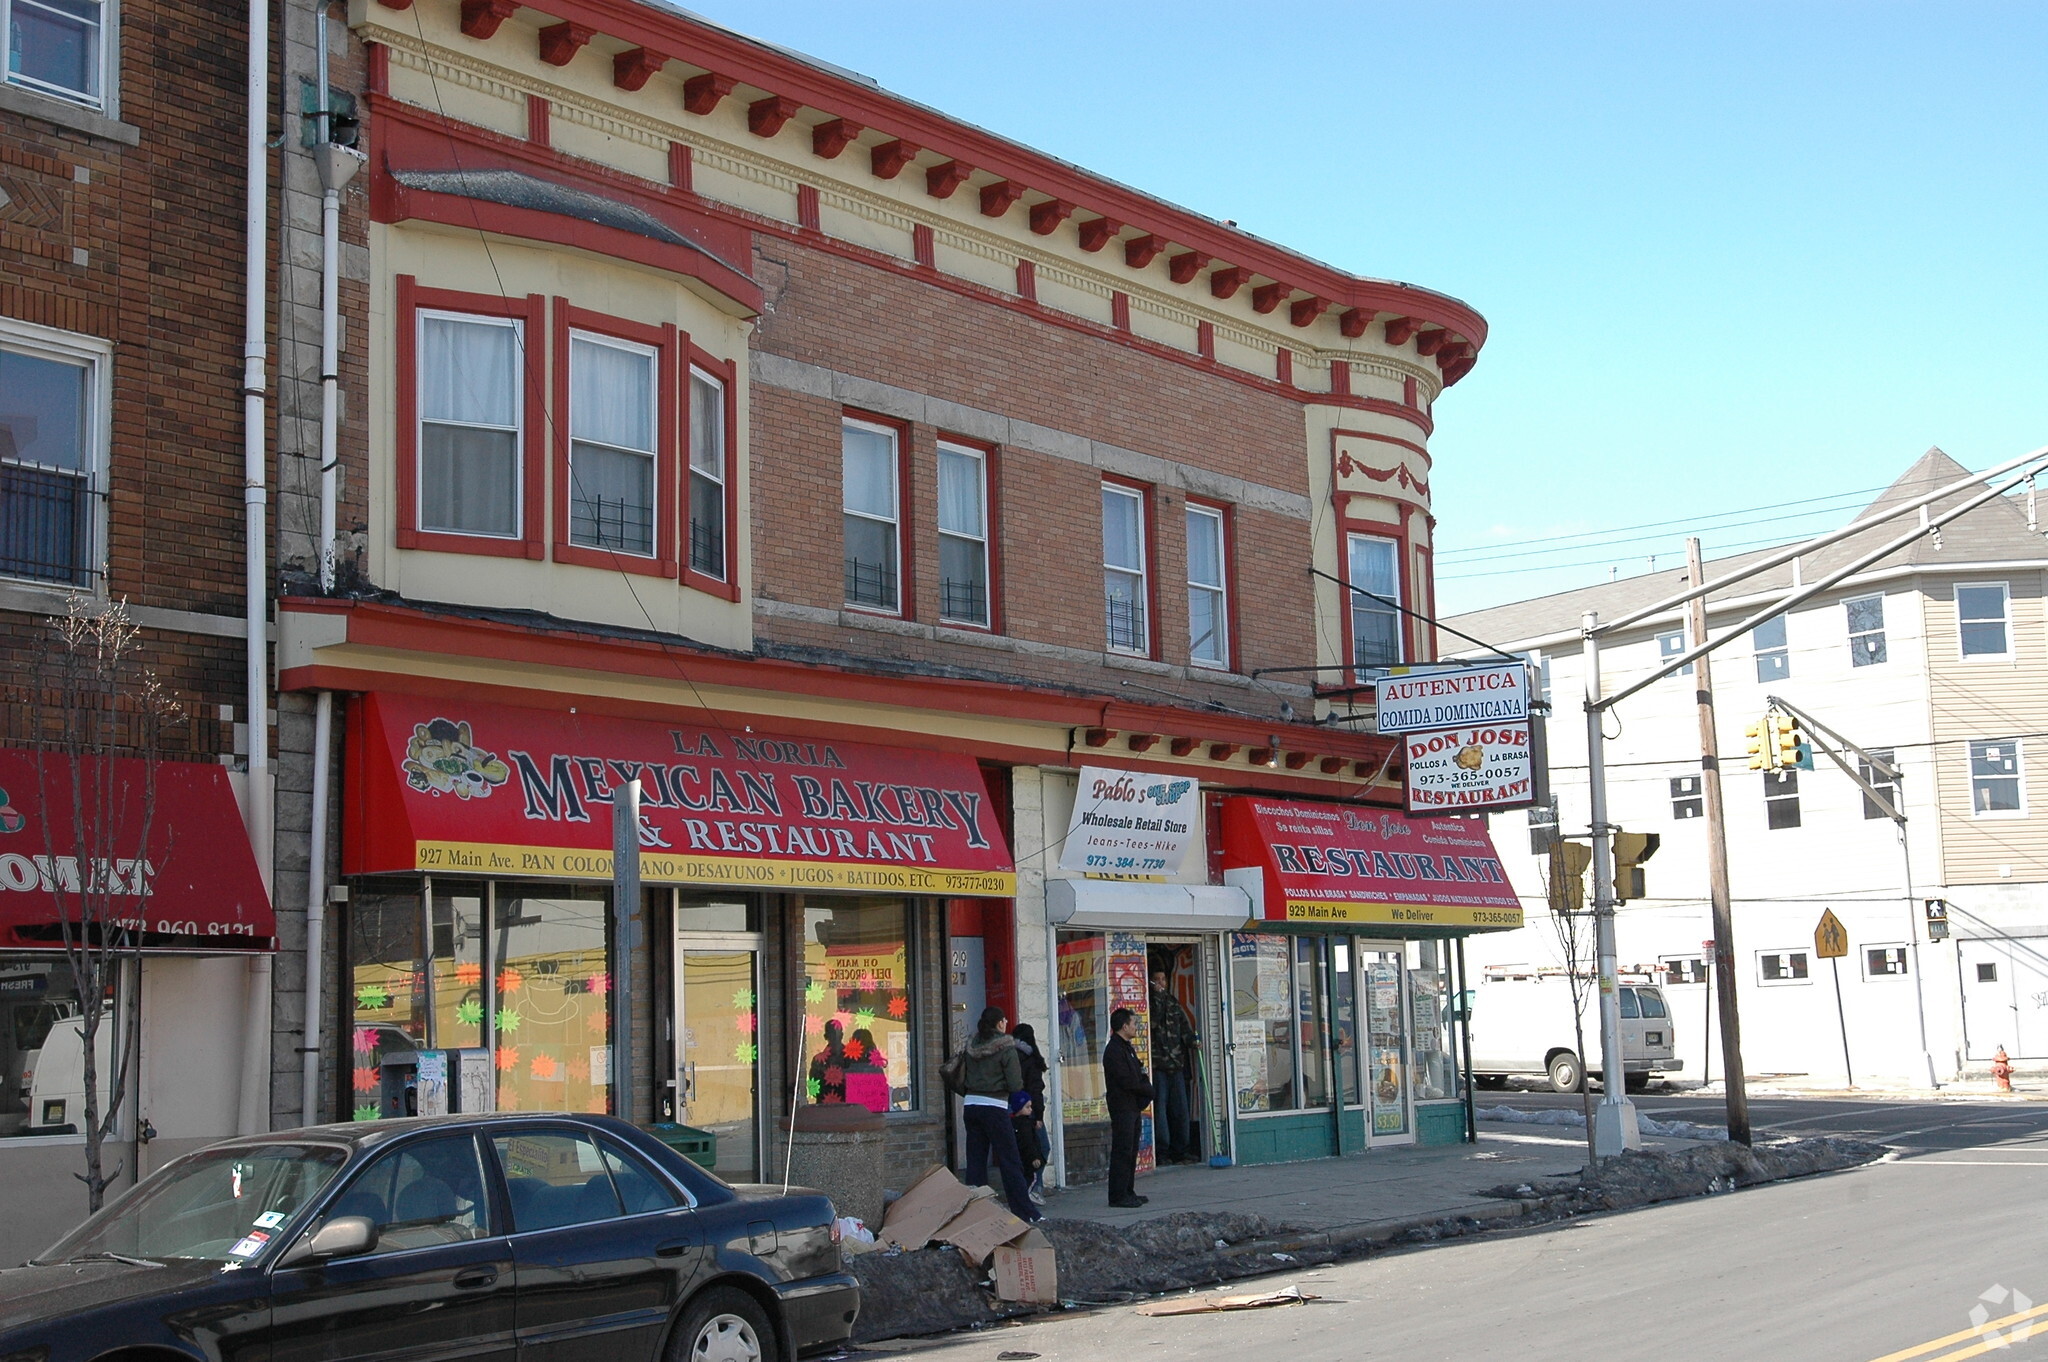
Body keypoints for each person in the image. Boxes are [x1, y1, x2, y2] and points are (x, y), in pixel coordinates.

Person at [956, 1006, 1041, 1223]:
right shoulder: (1006, 1048)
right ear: (1000, 1023)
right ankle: (1025, 1212)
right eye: (1004, 1020)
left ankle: (974, 1213)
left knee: (975, 1163)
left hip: (971, 1105)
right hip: (995, 1106)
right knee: (1010, 1161)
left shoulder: (972, 1046)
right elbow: (1015, 1084)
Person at [1102, 1006, 1153, 1208]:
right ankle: (1117, 1195)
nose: (1136, 1027)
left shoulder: (1127, 1048)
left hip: (1133, 1105)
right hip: (1122, 1105)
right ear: (1124, 1026)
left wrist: (1146, 1086)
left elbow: (1139, 1072)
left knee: (1131, 1150)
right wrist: (1143, 1089)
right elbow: (1126, 1080)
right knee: (1122, 1150)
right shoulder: (1114, 1050)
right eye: (1133, 1024)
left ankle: (1128, 1190)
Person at [1148, 967, 1200, 1163]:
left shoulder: (1173, 1003)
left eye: (1163, 979)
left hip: (1176, 1064)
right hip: (1158, 1064)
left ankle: (1182, 1149)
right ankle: (1162, 1151)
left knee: (1180, 1109)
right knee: (1160, 1110)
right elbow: (1152, 1022)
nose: (1161, 983)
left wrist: (1192, 1041)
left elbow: (1184, 1027)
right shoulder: (1149, 1003)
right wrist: (1157, 997)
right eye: (1157, 979)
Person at [1011, 1022, 1051, 1204]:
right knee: (1041, 1148)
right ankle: (1034, 1186)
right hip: (1030, 1110)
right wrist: (1039, 1116)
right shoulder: (1030, 1059)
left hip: (1014, 1109)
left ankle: (1029, 1187)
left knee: (1022, 1149)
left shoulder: (1010, 1056)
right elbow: (1036, 1090)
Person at [808, 1019, 849, 1104]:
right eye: (833, 1034)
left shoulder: (850, 1058)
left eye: (836, 1034)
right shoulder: (818, 1060)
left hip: (845, 1110)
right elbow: (813, 1090)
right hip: (825, 1109)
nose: (835, 1037)